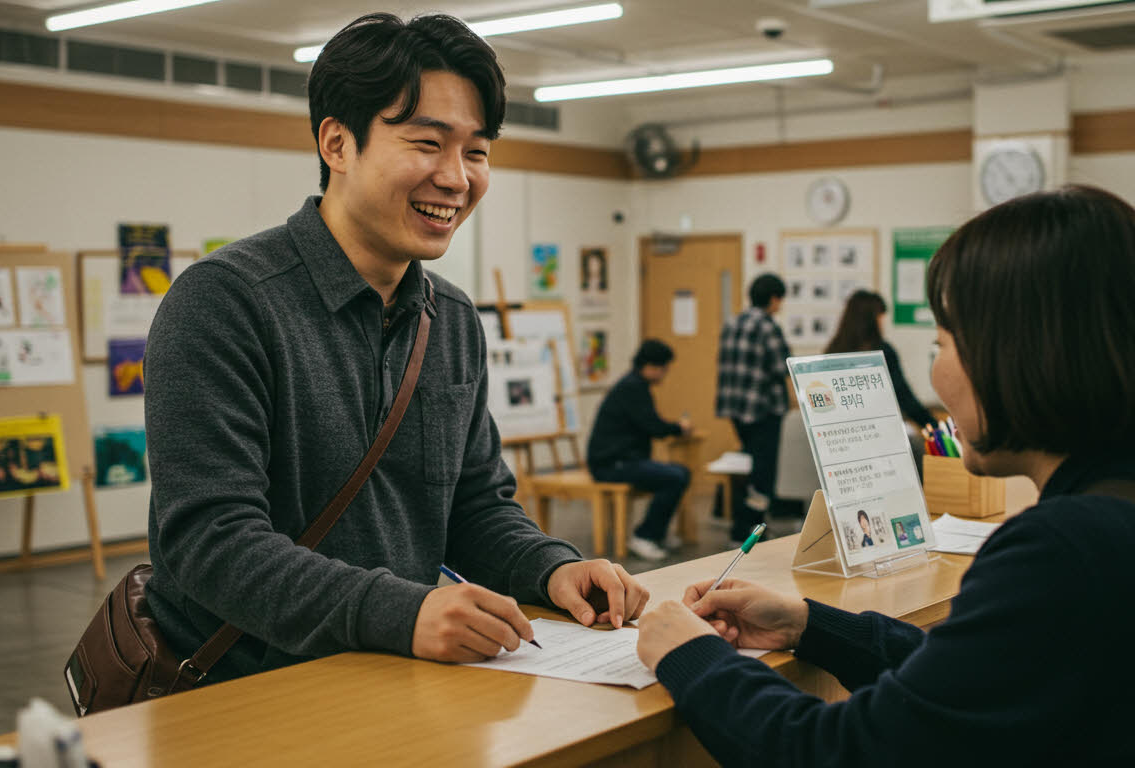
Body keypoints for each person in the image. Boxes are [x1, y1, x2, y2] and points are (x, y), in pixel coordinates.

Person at [635, 185, 1135, 766]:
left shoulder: (1071, 545)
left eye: (942, 343)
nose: (936, 372)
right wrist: (811, 625)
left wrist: (693, 655)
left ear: (1020, 356)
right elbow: (982, 670)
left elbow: (838, 752)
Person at [143, 13, 648, 684]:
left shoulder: (454, 320)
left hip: (399, 678)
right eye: (427, 143)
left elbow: (474, 506)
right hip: (242, 692)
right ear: (337, 143)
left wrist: (551, 566)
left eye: (477, 151)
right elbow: (211, 542)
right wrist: (401, 612)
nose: (456, 177)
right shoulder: (224, 304)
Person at [586, 340, 692, 560]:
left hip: (621, 460)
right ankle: (645, 536)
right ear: (652, 366)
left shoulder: (634, 384)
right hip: (611, 464)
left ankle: (657, 533)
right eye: (664, 368)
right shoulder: (632, 387)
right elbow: (653, 425)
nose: (665, 374)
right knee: (674, 477)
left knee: (681, 473)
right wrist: (679, 428)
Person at [716, 273, 792, 545]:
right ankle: (752, 530)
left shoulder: (733, 322)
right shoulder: (767, 326)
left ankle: (740, 526)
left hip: (735, 408)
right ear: (773, 299)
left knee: (748, 466)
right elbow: (782, 365)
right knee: (763, 473)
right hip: (762, 408)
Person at [825, 290, 937, 431]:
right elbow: (904, 396)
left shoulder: (833, 349)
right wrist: (934, 426)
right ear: (872, 320)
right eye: (881, 317)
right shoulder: (882, 352)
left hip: (840, 431)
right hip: (874, 430)